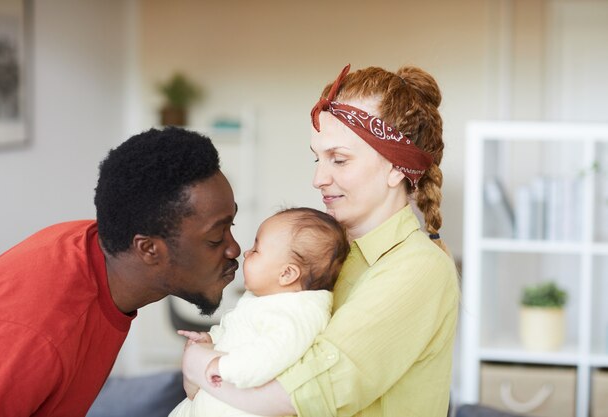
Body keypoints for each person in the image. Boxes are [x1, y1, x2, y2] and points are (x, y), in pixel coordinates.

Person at [179, 63, 460, 417]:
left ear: (395, 168)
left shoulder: (419, 269)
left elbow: (296, 398)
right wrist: (207, 361)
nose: (318, 178)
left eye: (339, 160)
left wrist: (197, 365)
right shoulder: (322, 258)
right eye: (317, 158)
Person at [0, 127, 241, 416]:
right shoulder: (40, 335)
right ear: (148, 249)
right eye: (216, 238)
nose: (235, 249)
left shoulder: (98, 246)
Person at [168, 207, 350, 417]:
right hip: (213, 399)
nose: (246, 253)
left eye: (256, 250)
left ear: (287, 274)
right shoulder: (266, 300)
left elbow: (273, 352)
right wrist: (211, 338)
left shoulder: (298, 313)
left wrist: (223, 366)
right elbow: (236, 329)